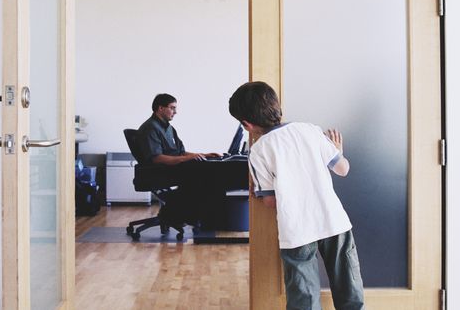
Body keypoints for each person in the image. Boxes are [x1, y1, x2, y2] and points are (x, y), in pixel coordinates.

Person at [228, 81, 364, 310]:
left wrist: (258, 193)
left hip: (297, 229)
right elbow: (343, 169)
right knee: (349, 286)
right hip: (333, 221)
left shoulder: (259, 151)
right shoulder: (308, 129)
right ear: (276, 106)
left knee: (304, 297)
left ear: (247, 124)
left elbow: (271, 201)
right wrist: (337, 152)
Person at [136, 93, 220, 165]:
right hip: (162, 171)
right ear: (160, 108)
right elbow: (157, 158)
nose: (175, 112)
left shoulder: (169, 128)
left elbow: (181, 153)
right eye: (172, 108)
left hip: (175, 167)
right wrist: (187, 158)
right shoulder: (150, 128)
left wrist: (203, 155)